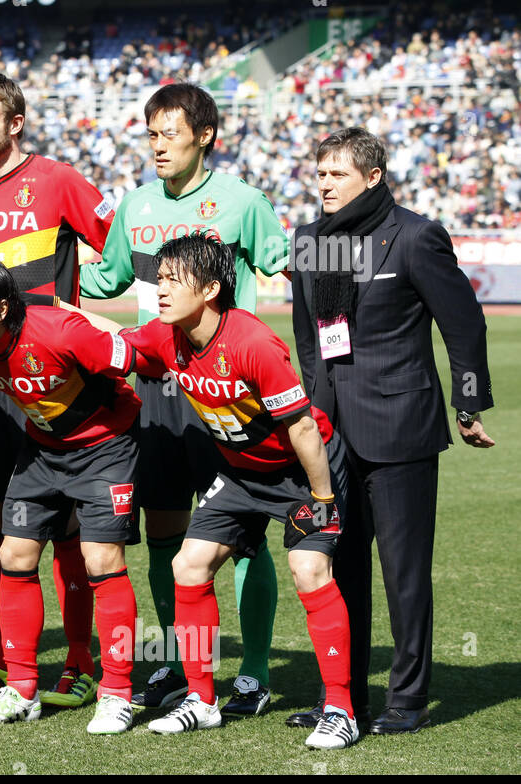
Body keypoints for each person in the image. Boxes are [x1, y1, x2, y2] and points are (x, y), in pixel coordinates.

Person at [81, 83, 291, 716]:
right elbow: (105, 278)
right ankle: (178, 657)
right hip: (158, 392)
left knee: (248, 539)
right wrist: (41, 266)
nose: (157, 146)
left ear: (205, 136)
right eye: (150, 134)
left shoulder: (243, 202)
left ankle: (253, 670)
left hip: (231, 395)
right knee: (166, 532)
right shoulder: (136, 206)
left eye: (169, 133)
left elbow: (287, 265)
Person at [113, 233, 358, 749]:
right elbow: (113, 343)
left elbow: (303, 429)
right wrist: (52, 315)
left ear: (209, 289)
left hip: (300, 469)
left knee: (309, 569)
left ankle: (341, 709)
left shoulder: (252, 342)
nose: (159, 289)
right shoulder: (166, 335)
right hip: (241, 474)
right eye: (158, 279)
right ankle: (201, 702)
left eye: (171, 281)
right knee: (188, 564)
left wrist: (323, 499)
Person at [290, 127, 495, 734]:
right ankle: (342, 701)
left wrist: (467, 403)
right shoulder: (309, 241)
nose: (324, 184)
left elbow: (463, 323)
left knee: (404, 572)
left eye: (337, 174)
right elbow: (309, 339)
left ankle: (406, 699)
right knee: (337, 569)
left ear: (372, 177)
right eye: (320, 173)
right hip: (329, 434)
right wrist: (306, 413)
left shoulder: (415, 234)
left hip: (401, 425)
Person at [0, 70, 116, 708]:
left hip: (57, 386)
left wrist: (86, 319)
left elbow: (119, 254)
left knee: (67, 532)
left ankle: (78, 658)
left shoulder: (59, 180)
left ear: (15, 123)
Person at [0, 255, 141, 732]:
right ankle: (23, 689)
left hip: (105, 448)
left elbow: (136, 359)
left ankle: (117, 693)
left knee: (101, 559)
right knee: (14, 553)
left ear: (2, 309)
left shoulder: (59, 332)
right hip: (44, 449)